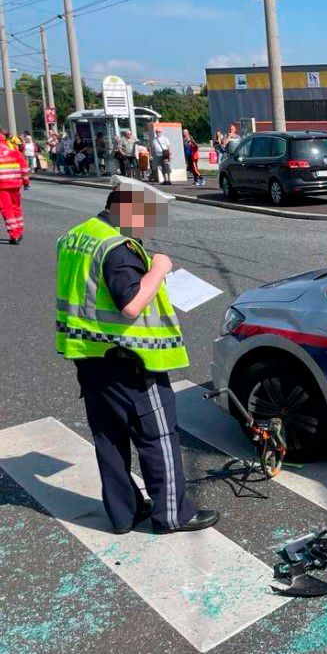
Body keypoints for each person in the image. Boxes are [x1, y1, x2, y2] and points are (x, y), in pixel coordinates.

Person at [55, 176, 219, 535]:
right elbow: (130, 305)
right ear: (123, 207)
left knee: (109, 438)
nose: (149, 223)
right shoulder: (117, 249)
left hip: (89, 354)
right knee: (158, 437)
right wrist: (159, 270)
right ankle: (173, 514)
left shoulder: (78, 235)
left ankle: (124, 513)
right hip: (130, 360)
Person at [0, 137, 30, 244]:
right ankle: (19, 231)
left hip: (2, 185)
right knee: (16, 207)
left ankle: (15, 234)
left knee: (7, 209)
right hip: (15, 183)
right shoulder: (11, 146)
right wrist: (26, 181)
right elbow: (24, 165)